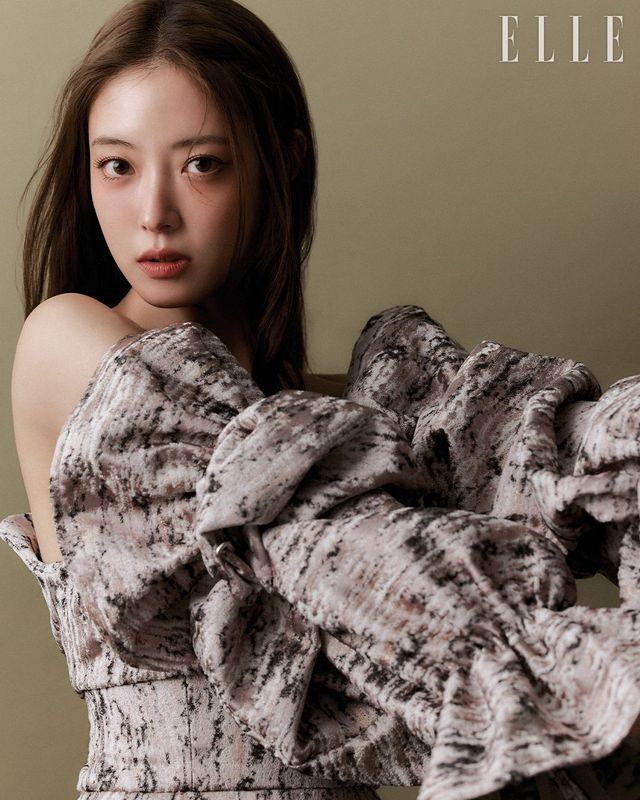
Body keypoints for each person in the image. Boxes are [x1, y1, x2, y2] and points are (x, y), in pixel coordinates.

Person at [3, 1, 640, 799]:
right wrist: (581, 680)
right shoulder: (75, 352)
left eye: (202, 164)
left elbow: (551, 455)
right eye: (117, 167)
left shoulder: (369, 414)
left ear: (284, 162)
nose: (154, 214)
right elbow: (342, 542)